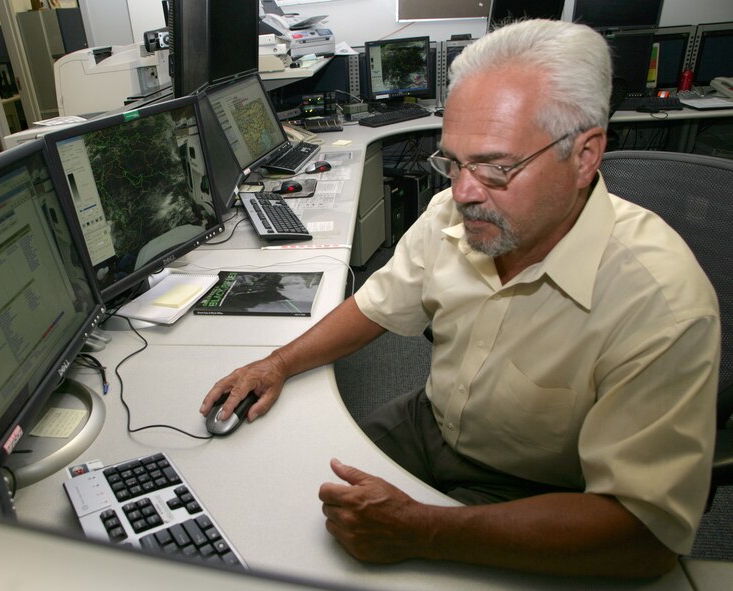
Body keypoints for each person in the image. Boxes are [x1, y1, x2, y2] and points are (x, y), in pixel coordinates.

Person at [200, 19, 720, 578]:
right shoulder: (452, 211)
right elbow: (377, 303)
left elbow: (646, 538)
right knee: (280, 505)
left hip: (542, 489)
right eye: (453, 161)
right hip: (433, 420)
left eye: (497, 167)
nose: (465, 193)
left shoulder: (660, 302)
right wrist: (277, 362)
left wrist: (420, 528)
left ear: (585, 154)